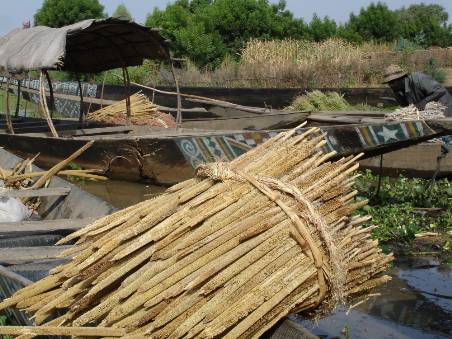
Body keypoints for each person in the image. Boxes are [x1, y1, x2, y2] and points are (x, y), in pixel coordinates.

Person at [382, 64, 452, 117]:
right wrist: (397, 94)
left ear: (401, 79)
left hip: (445, 107)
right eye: (389, 83)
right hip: (430, 113)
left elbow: (440, 90)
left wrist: (424, 102)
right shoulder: (400, 89)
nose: (390, 85)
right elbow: (405, 106)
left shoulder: (419, 78)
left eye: (392, 82)